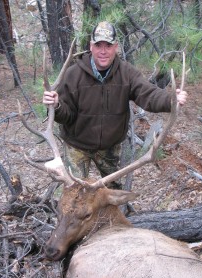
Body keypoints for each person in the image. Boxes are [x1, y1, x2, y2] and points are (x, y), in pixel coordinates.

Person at [43, 21, 188, 189]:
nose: (103, 51)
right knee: (73, 195)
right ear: (91, 46)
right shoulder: (73, 74)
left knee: (113, 196)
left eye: (108, 45)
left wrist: (170, 99)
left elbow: (148, 94)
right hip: (77, 146)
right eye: (98, 45)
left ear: (116, 47)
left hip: (109, 147)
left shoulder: (127, 73)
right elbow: (66, 115)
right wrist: (56, 105)